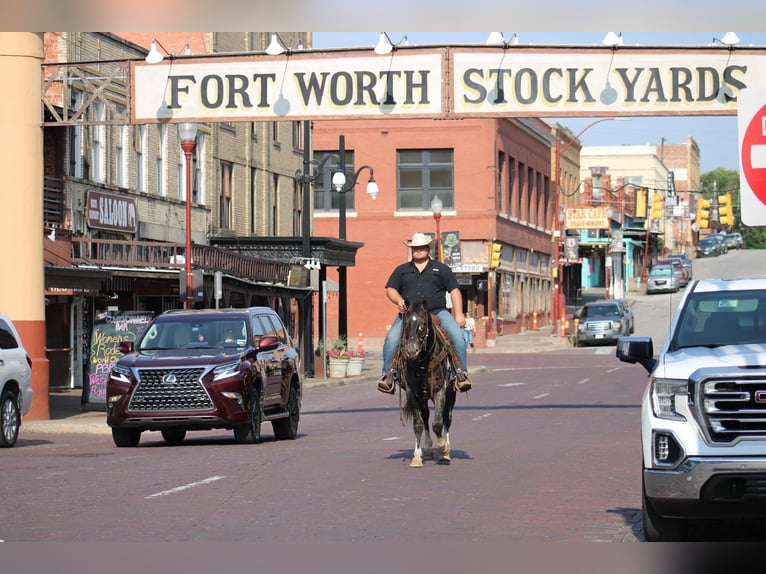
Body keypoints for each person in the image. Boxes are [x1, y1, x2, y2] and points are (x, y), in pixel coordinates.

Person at [377, 232, 472, 394]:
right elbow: (390, 289)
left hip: (438, 312)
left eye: (421, 247)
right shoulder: (402, 270)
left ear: (428, 249)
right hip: (409, 315)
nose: (418, 250)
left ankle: (460, 373)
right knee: (392, 338)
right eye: (415, 248)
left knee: (457, 336)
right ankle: (389, 375)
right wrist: (399, 300)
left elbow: (455, 291)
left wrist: (459, 315)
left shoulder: (441, 269)